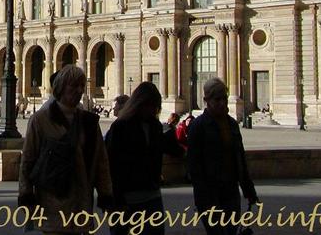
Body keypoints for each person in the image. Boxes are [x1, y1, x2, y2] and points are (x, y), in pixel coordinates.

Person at [19, 65, 112, 234]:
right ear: (61, 88)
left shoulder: (89, 122)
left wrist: (106, 197)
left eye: (82, 86)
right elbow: (27, 161)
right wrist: (26, 197)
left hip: (82, 203)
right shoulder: (40, 120)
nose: (79, 90)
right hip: (52, 203)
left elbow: (101, 162)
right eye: (73, 85)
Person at [105, 82, 184, 235]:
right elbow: (112, 164)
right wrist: (117, 200)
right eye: (151, 106)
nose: (154, 110)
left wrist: (183, 150)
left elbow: (166, 147)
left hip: (151, 194)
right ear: (139, 104)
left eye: (156, 106)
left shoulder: (155, 126)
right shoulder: (121, 127)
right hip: (126, 198)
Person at [187, 78, 258, 235]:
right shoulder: (198, 126)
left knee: (231, 231)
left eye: (224, 98)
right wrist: (202, 198)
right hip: (209, 192)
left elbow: (239, 158)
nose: (222, 103)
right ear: (207, 100)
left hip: (230, 189)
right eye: (217, 99)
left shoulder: (231, 124)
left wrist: (249, 190)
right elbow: (194, 166)